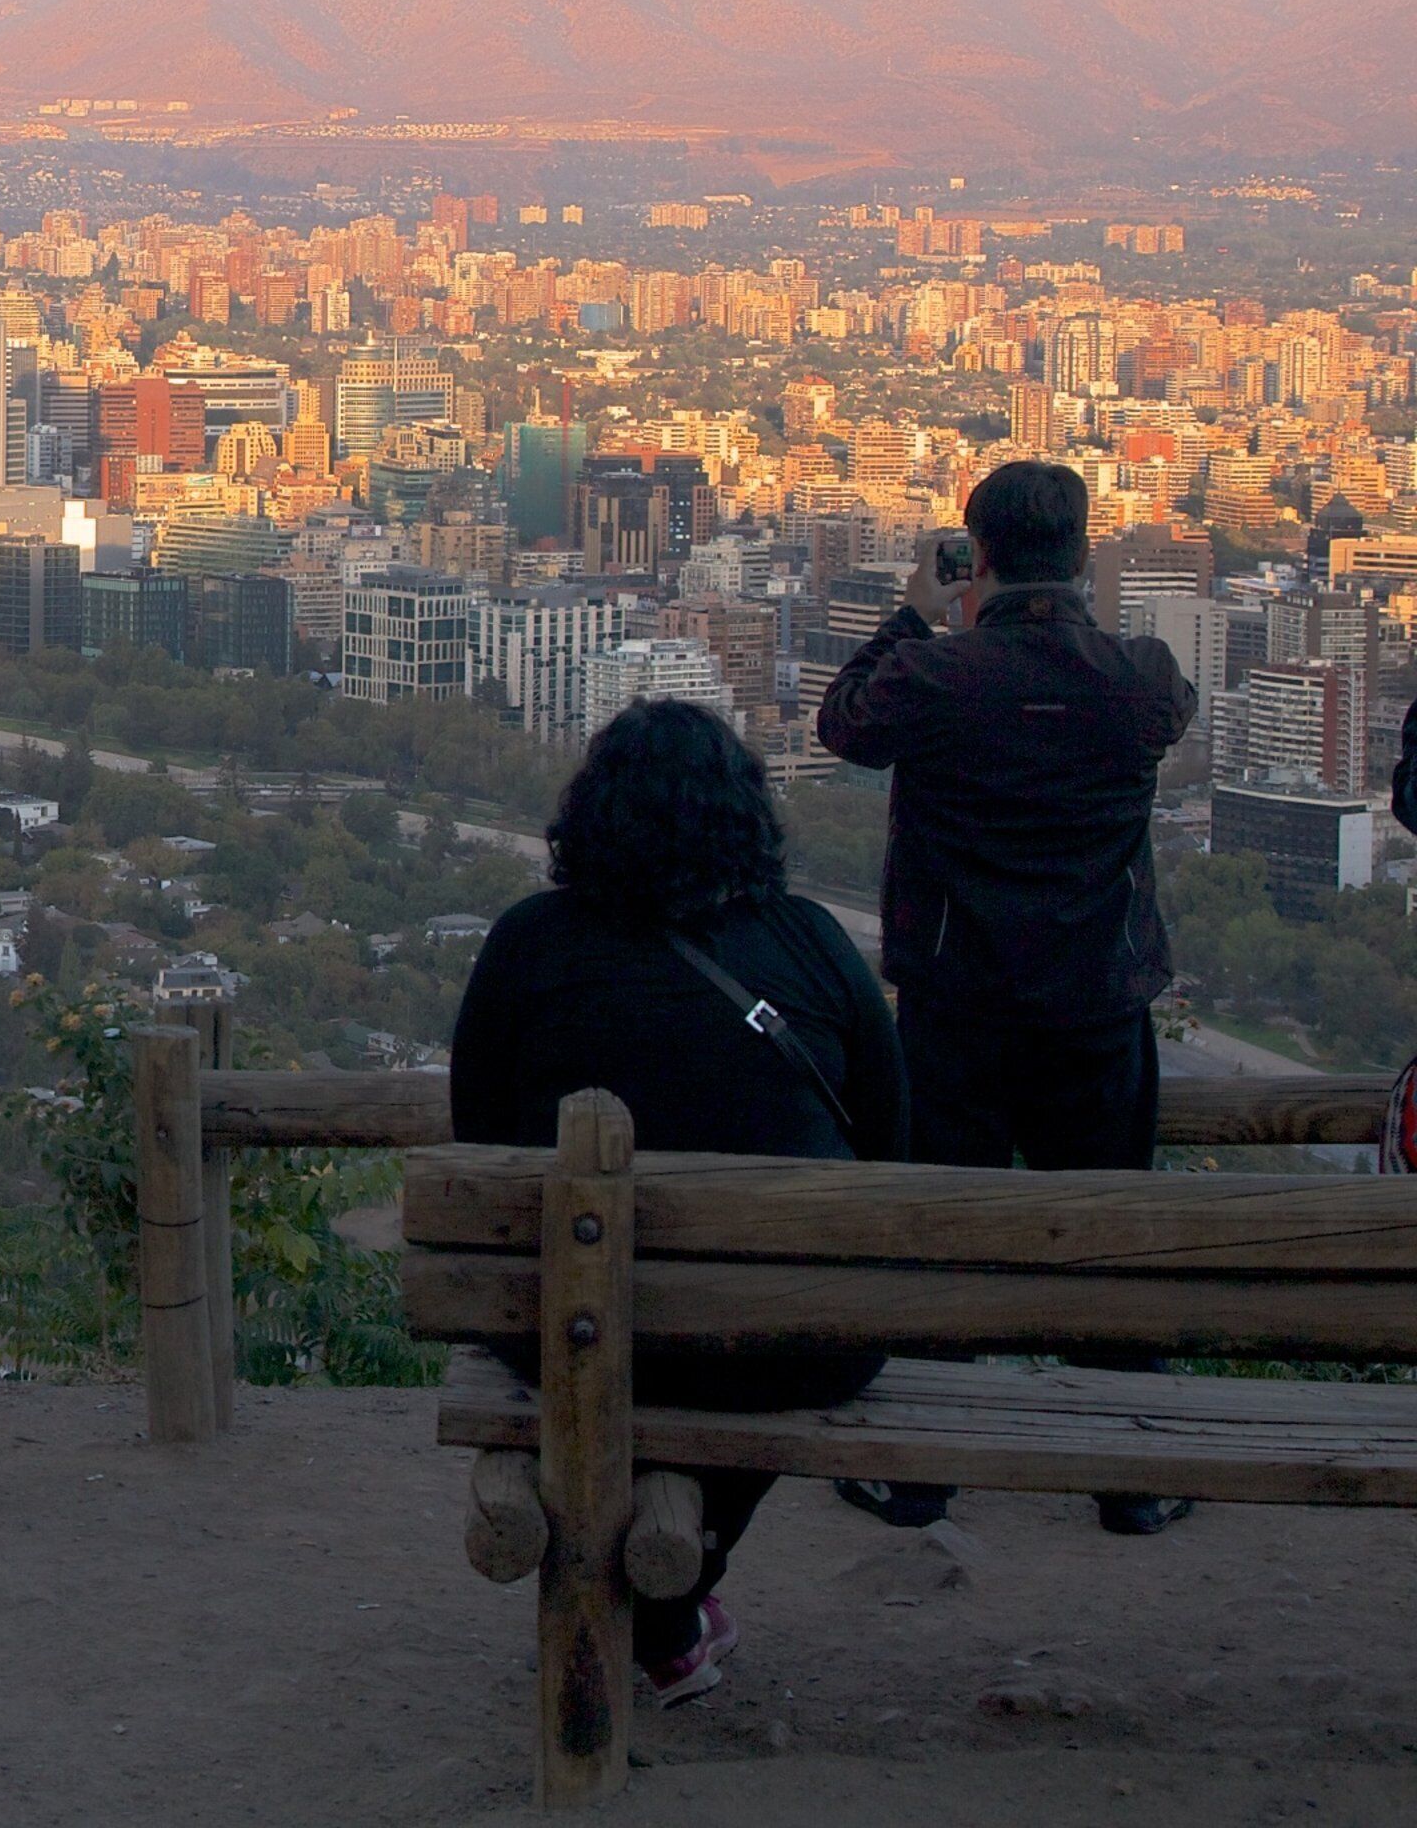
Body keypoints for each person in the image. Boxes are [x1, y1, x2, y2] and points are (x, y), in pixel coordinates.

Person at [451, 698, 906, 1709]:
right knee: (761, 1337)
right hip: (794, 1338)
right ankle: (677, 1577)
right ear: (749, 817)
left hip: (568, 1333)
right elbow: (888, 1149)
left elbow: (475, 1141)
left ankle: (663, 1600)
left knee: (625, 1336)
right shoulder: (813, 945)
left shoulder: (529, 943)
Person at [815, 459, 1199, 1536]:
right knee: (1110, 1236)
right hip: (1096, 1007)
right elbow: (1168, 704)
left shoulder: (939, 679)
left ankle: (926, 1470)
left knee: (946, 1232)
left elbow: (841, 725)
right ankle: (1129, 1477)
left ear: (974, 555)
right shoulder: (1140, 677)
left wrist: (914, 615)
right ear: (1083, 555)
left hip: (957, 1005)